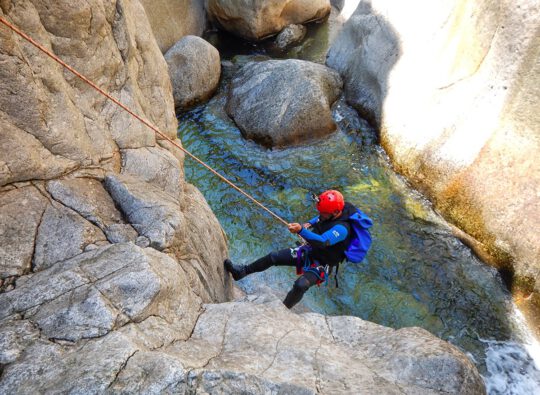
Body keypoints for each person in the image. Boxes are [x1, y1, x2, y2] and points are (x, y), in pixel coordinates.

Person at [224, 190, 358, 309]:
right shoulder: (331, 212)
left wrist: (301, 230)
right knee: (273, 257)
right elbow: (319, 218)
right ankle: (242, 272)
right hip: (310, 251)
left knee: (301, 285)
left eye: (324, 213)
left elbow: (322, 242)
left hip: (323, 263)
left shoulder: (342, 229)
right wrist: (309, 223)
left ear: (335, 212)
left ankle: (284, 309)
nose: (320, 215)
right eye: (320, 212)